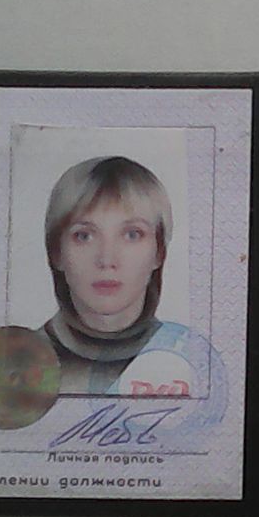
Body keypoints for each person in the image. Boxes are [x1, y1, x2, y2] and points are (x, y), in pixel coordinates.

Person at [38, 155, 197, 396]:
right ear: (56, 252)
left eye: (132, 234)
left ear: (159, 253)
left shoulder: (189, 362)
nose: (107, 259)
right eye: (84, 236)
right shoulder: (15, 365)